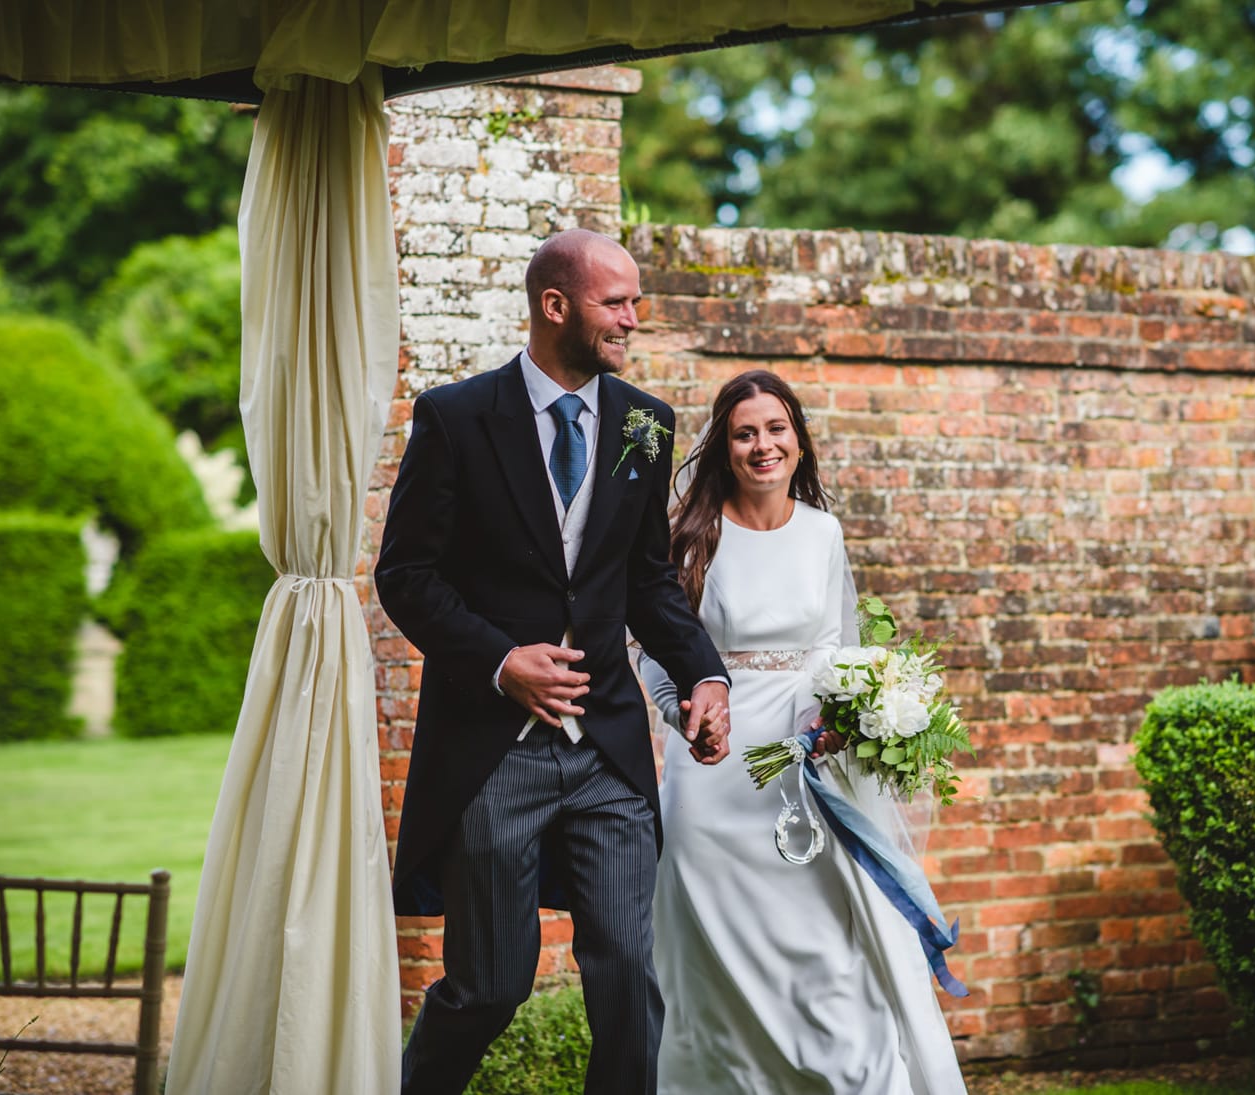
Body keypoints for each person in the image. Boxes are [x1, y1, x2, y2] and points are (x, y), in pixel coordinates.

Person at [374, 228, 732, 1095]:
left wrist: (706, 674)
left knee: (626, 975)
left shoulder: (645, 423)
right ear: (555, 305)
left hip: (608, 750)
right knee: (489, 984)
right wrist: (502, 661)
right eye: (617, 303)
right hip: (496, 750)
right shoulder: (456, 418)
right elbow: (405, 575)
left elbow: (645, 579)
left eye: (634, 302)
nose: (633, 320)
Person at [640, 370, 968, 1094]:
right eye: (746, 432)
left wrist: (839, 715)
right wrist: (686, 716)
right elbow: (656, 654)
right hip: (712, 775)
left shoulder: (824, 532)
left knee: (828, 945)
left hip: (804, 765)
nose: (763, 445)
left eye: (776, 428)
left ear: (798, 438)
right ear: (724, 447)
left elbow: (832, 645)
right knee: (717, 957)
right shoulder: (694, 536)